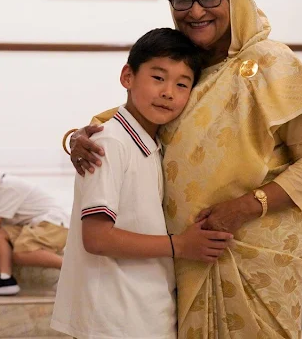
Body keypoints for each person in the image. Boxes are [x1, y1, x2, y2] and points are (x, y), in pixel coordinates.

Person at [66, 0, 302, 339]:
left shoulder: (269, 63)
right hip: (188, 255)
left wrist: (244, 208)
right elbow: (133, 117)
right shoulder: (189, 69)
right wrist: (78, 137)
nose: (195, 11)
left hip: (248, 252)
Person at [51, 27, 235, 339]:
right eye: (158, 77)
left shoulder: (152, 143)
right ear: (127, 77)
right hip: (114, 317)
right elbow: (96, 237)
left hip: (139, 309)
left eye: (182, 84)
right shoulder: (108, 143)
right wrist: (181, 245)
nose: (168, 92)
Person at [0, 153, 69, 296]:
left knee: (21, 253)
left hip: (53, 225)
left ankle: (70, 268)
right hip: (40, 225)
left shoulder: (8, 187)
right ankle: (5, 279)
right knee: (1, 233)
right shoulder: (3, 190)